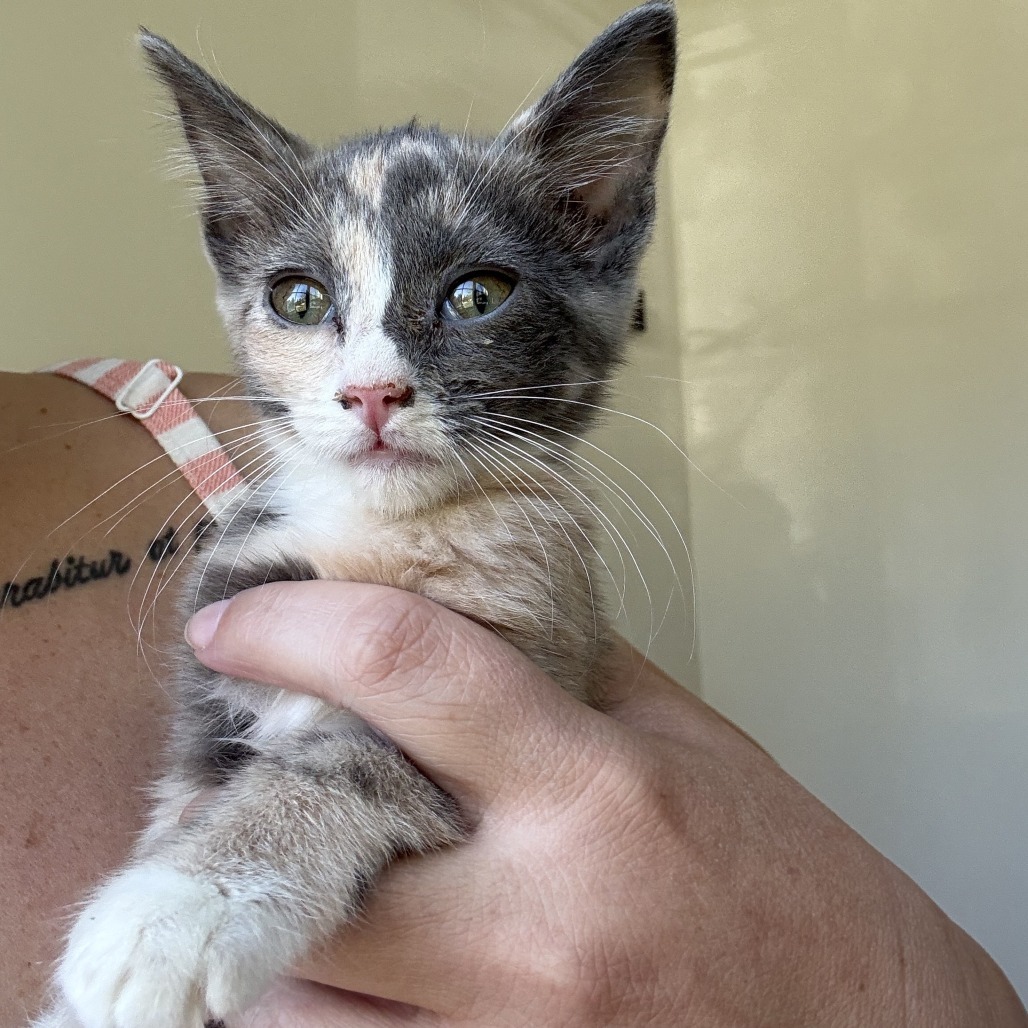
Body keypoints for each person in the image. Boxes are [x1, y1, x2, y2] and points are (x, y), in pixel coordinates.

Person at [1, 370, 1024, 1026]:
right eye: (306, 296)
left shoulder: (250, 447)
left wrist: (865, 984)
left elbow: (520, 757)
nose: (369, 386)